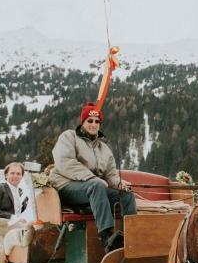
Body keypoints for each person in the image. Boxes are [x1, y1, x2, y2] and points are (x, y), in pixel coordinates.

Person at [49, 102, 137, 253]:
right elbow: (65, 162)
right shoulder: (69, 137)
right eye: (90, 120)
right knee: (97, 186)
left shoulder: (104, 148)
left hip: (93, 189)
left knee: (127, 195)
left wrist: (119, 183)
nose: (93, 124)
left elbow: (110, 174)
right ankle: (106, 236)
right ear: (82, 122)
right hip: (66, 185)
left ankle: (130, 235)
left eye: (97, 121)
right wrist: (91, 178)